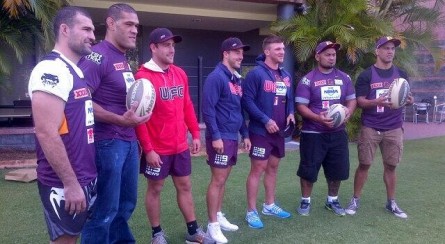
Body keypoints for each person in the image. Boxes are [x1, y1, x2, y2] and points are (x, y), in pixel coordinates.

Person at [135, 28, 214, 244]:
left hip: (180, 146)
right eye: (166, 45)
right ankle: (157, 234)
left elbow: (187, 105)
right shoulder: (142, 77)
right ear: (153, 47)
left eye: (173, 45)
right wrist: (148, 149)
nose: (172, 49)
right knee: (155, 188)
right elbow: (139, 118)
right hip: (157, 149)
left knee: (185, 186)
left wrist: (195, 133)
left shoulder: (179, 73)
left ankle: (193, 231)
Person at [79, 3, 150, 244]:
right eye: (128, 24)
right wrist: (119, 119)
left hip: (128, 141)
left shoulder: (122, 57)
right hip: (107, 143)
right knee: (104, 211)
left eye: (136, 26)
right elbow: (82, 101)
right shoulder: (97, 56)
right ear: (111, 23)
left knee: (125, 206)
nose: (134, 31)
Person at [28, 6, 96, 244]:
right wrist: (70, 183)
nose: (93, 36)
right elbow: (46, 132)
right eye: (86, 29)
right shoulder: (52, 69)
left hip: (82, 176)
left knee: (72, 238)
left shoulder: (74, 70)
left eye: (93, 30)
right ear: (65, 30)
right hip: (63, 182)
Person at [345, 36, 414, 219]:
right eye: (386, 48)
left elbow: (406, 97)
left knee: (391, 166)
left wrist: (409, 101)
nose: (390, 51)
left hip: (394, 127)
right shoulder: (367, 75)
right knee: (364, 164)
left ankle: (391, 203)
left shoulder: (401, 74)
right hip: (371, 126)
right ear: (377, 51)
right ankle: (355, 200)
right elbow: (359, 101)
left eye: (392, 48)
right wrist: (375, 101)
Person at [295, 41, 356, 216]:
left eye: (333, 54)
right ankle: (305, 201)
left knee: (337, 170)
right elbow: (301, 106)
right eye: (327, 54)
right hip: (313, 133)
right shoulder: (308, 79)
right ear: (317, 56)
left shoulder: (344, 78)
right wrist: (318, 118)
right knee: (308, 170)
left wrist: (348, 112)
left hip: (337, 133)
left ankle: (332, 200)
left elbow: (352, 100)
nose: (331, 57)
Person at [241, 35, 295, 229]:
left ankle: (269, 205)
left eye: (283, 49)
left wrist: (290, 113)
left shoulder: (286, 75)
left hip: (278, 132)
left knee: (273, 168)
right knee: (258, 169)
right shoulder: (256, 74)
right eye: (278, 49)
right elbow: (247, 101)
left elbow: (289, 99)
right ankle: (251, 211)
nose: (282, 52)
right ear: (267, 52)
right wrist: (265, 120)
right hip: (260, 131)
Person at [203, 37, 252, 243]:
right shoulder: (216, 77)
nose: (240, 56)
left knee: (223, 181)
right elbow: (208, 109)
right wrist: (215, 136)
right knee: (218, 180)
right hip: (221, 137)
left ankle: (219, 216)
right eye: (236, 52)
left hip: (232, 136)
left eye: (241, 52)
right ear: (225, 54)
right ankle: (212, 225)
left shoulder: (235, 79)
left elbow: (238, 109)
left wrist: (246, 134)